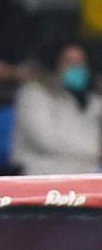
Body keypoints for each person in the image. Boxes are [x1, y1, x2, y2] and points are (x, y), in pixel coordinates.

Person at [11, 40, 102, 175]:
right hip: (41, 173)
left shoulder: (90, 98)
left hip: (86, 172)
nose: (75, 68)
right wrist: (94, 151)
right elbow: (47, 142)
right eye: (68, 62)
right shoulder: (34, 94)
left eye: (80, 62)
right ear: (54, 64)